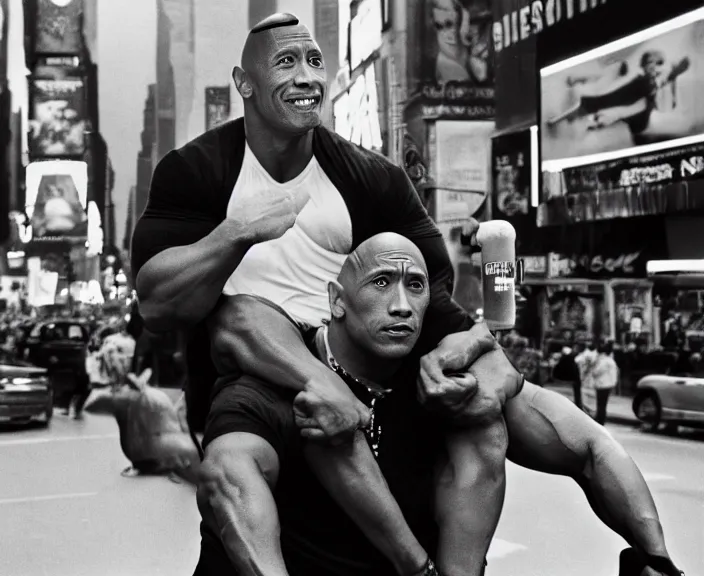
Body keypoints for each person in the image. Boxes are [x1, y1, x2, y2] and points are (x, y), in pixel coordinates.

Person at [131, 13, 681, 576]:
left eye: (315, 62)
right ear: (243, 82)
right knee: (243, 322)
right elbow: (156, 305)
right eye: (286, 62)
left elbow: (428, 285)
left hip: (365, 349)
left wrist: (470, 351)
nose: (306, 77)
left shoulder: (371, 177)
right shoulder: (196, 172)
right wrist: (236, 232)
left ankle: (656, 564)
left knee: (514, 414)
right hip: (266, 364)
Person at [197, 233, 682, 576]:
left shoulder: (444, 383)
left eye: (415, 286)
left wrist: (656, 561)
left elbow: (591, 448)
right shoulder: (278, 378)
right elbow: (227, 477)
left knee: (482, 419)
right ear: (337, 300)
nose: (403, 305)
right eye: (381, 283)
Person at [547, 50, 691, 145]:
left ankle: (578, 118)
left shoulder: (658, 84)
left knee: (600, 106)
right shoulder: (649, 74)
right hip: (628, 98)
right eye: (651, 63)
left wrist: (669, 80)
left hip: (636, 111)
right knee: (597, 103)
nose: (654, 66)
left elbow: (660, 102)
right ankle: (569, 118)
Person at [592, 342, 620, 426]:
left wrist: (594, 366)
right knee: (603, 404)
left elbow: (596, 372)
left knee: (600, 404)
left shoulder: (603, 361)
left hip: (602, 385)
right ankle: (600, 419)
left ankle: (600, 420)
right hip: (608, 384)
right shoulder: (611, 361)